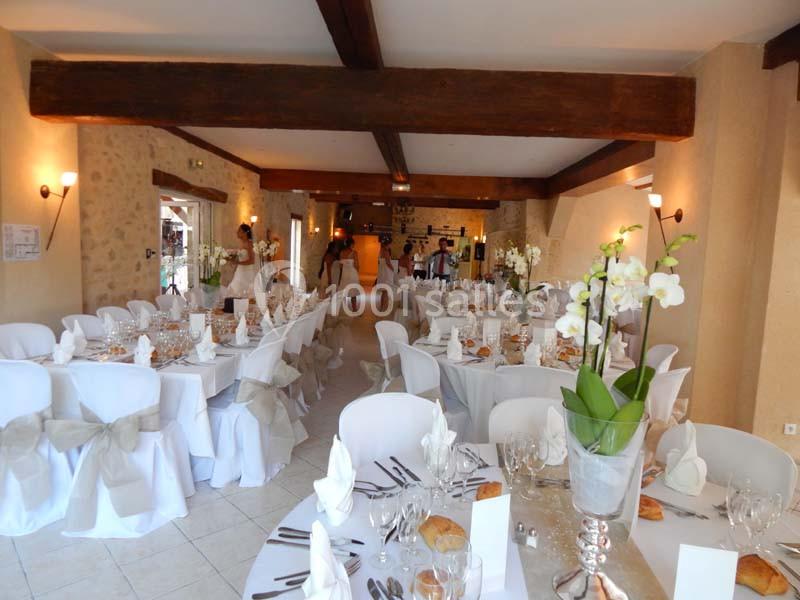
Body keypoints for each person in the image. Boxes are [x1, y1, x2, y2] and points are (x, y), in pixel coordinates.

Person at [227, 223, 256, 297]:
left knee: (244, 293)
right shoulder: (241, 243)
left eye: (239, 230)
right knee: (235, 291)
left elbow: (252, 260)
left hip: (247, 274)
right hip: (239, 272)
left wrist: (237, 262)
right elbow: (241, 257)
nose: (237, 232)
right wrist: (231, 258)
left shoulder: (249, 244)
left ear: (245, 233)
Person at [337, 237, 360, 312]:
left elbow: (340, 266)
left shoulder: (341, 252)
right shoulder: (354, 253)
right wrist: (357, 272)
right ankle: (354, 309)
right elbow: (357, 265)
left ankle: (342, 309)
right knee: (353, 292)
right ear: (351, 244)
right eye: (353, 244)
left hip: (344, 274)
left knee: (343, 291)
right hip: (352, 274)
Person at [376, 235, 395, 312]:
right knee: (386, 290)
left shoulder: (381, 250)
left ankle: (382, 307)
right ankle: (383, 307)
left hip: (382, 271)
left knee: (384, 291)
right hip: (386, 272)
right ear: (388, 244)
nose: (391, 245)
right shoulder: (386, 251)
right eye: (390, 243)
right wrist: (393, 269)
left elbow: (379, 262)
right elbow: (388, 262)